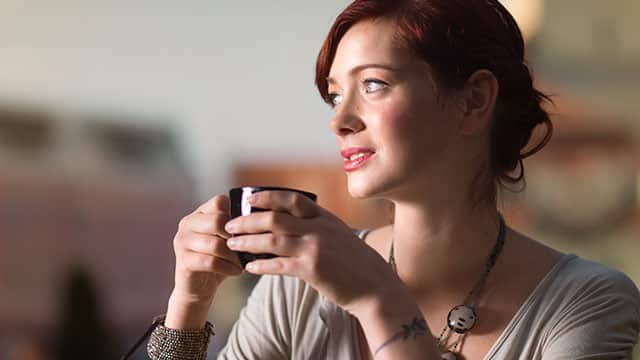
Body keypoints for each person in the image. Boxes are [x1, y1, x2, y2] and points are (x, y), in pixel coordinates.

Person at [129, 0, 640, 359]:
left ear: (475, 100)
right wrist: (188, 309)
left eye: (373, 84)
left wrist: (380, 300)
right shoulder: (295, 291)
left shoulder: (587, 301)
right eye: (334, 94)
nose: (339, 119)